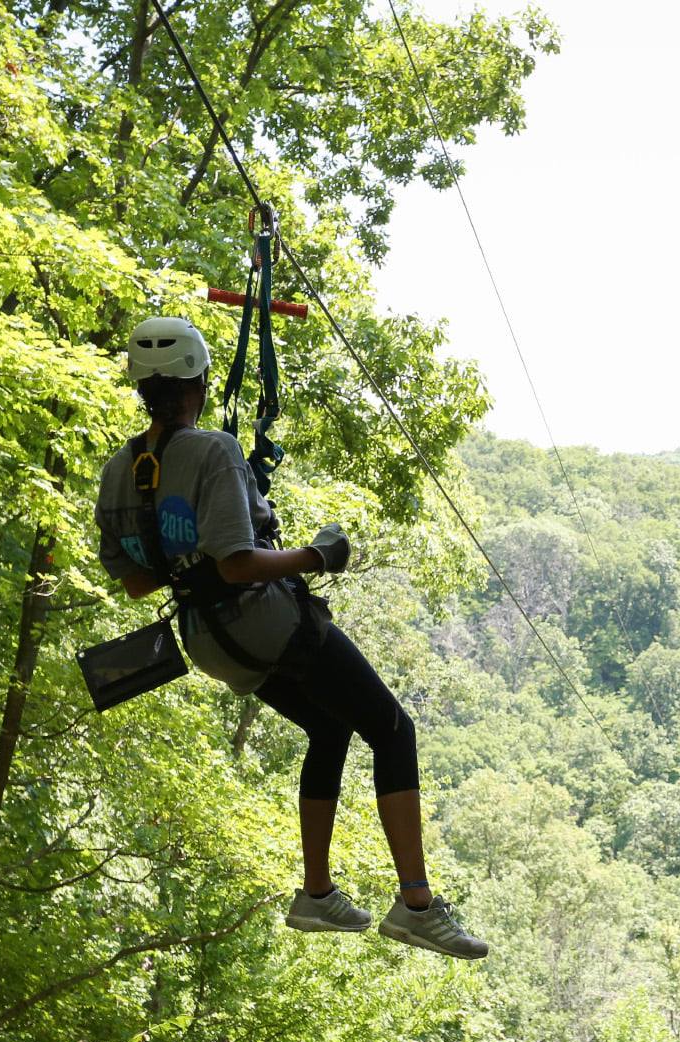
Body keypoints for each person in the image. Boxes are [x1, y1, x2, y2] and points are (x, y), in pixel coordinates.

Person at [93, 315, 486, 960]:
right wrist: (318, 556)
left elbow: (136, 582)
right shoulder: (212, 450)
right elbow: (237, 564)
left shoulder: (117, 472)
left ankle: (316, 893)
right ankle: (416, 904)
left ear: (140, 386)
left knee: (329, 730)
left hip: (210, 642)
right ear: (198, 379)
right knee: (393, 729)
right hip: (270, 624)